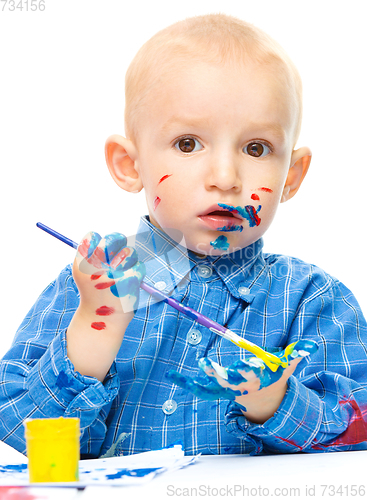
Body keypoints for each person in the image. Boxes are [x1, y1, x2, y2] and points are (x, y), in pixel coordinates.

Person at [1, 13, 367, 458]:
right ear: (130, 165)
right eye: (189, 144)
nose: (226, 177)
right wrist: (94, 330)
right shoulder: (87, 289)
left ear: (291, 175)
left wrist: (276, 403)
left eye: (256, 148)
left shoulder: (313, 299)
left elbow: (357, 432)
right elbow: (21, 436)